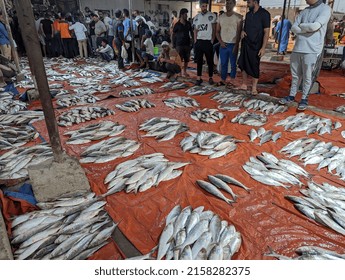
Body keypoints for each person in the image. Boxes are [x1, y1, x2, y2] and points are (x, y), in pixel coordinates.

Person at [279, 0, 331, 111]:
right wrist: (306, 28)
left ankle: (304, 98)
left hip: (312, 49)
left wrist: (301, 27)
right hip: (298, 48)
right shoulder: (305, 11)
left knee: (308, 76)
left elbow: (315, 26)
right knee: (295, 75)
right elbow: (294, 28)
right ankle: (292, 96)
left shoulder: (325, 9)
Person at [237, 0, 270, 95]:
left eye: (249, 2)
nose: (247, 4)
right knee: (242, 63)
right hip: (246, 43)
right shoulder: (248, 14)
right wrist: (242, 31)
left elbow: (266, 32)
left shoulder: (265, 14)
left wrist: (263, 47)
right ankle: (244, 84)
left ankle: (254, 88)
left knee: (254, 65)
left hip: (256, 45)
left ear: (255, 2)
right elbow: (245, 27)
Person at [216, 0, 243, 87]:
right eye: (227, 3)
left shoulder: (238, 17)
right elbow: (217, 32)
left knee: (233, 64)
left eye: (230, 3)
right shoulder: (221, 17)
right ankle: (223, 79)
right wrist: (221, 42)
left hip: (233, 44)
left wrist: (236, 45)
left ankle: (232, 81)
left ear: (234, 4)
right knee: (223, 63)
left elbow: (239, 33)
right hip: (223, 44)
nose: (228, 5)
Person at [193, 0, 217, 85]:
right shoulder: (196, 17)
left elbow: (214, 29)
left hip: (208, 41)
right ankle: (199, 78)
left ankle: (210, 77)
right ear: (200, 6)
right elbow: (195, 30)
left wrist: (212, 40)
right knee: (199, 61)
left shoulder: (212, 15)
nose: (204, 8)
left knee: (209, 61)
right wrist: (195, 40)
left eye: (205, 6)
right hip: (199, 41)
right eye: (202, 6)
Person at [173, 8, 193, 77]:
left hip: (187, 44)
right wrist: (173, 44)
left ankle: (184, 71)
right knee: (179, 59)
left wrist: (193, 42)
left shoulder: (188, 23)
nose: (186, 16)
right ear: (181, 15)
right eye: (185, 14)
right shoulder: (177, 25)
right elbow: (173, 35)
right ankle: (179, 72)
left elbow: (192, 32)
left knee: (186, 59)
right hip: (179, 44)